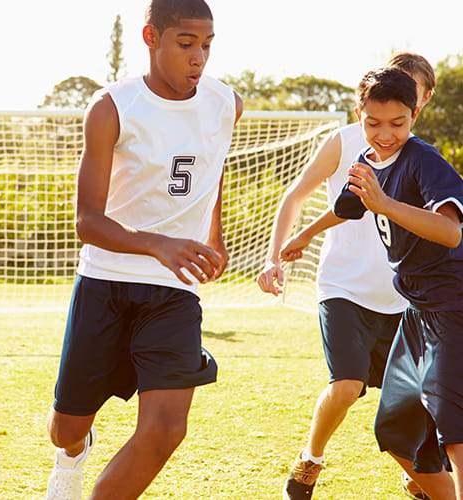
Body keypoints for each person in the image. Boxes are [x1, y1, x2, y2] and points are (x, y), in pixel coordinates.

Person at [44, 1, 243, 499]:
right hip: (106, 282)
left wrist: (211, 234)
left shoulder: (227, 103)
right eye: (186, 44)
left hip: (174, 291)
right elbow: (86, 220)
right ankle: (72, 453)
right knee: (65, 429)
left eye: (207, 45)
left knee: (166, 429)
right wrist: (157, 244)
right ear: (151, 37)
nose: (199, 57)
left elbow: (212, 169)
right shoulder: (113, 106)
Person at [257, 52, 449, 500]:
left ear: (420, 101)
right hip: (343, 287)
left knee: (418, 404)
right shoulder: (346, 143)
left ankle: (421, 475)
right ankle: (311, 458)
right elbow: (304, 199)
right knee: (347, 384)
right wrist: (277, 254)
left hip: (403, 299)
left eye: (411, 91)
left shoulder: (421, 158)